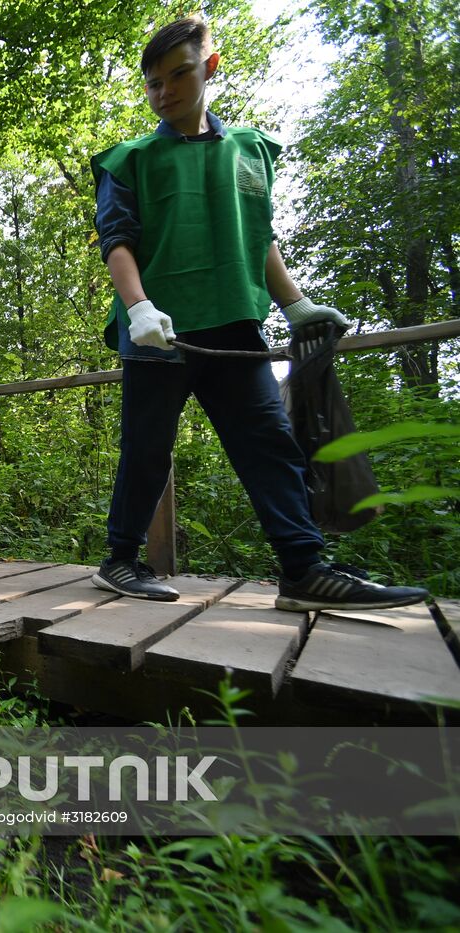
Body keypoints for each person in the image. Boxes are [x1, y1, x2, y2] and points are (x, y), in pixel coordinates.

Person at [88, 16, 428, 612]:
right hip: (159, 333)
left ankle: (303, 570)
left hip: (236, 328)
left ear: (209, 68)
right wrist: (137, 307)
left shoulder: (249, 150)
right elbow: (116, 242)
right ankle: (120, 560)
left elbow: (260, 237)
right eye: (152, 82)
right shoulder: (129, 160)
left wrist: (295, 304)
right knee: (146, 446)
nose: (164, 91)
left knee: (269, 443)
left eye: (178, 75)